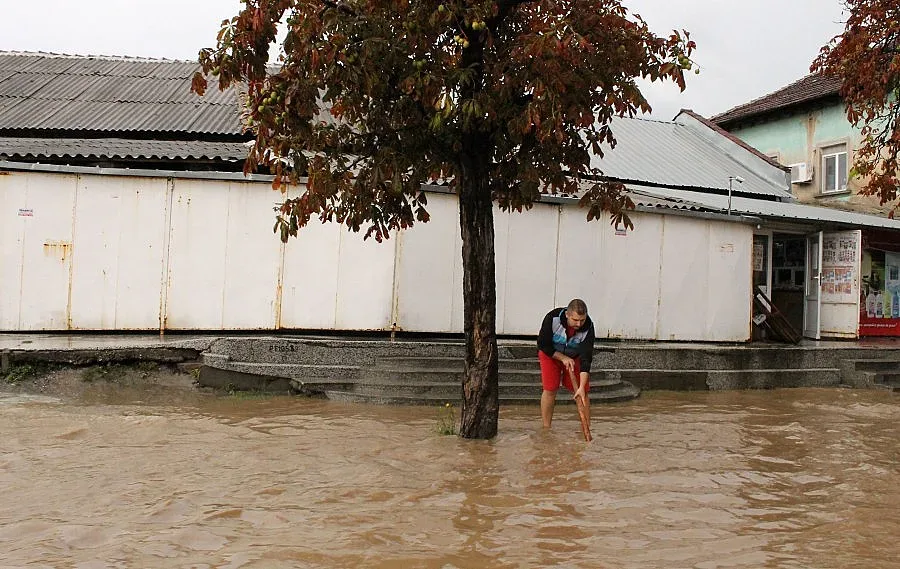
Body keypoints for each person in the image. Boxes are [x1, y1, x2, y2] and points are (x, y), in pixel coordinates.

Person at [537, 298, 595, 429]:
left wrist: (581, 387)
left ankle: (586, 428)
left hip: (574, 357)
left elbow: (586, 359)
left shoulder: (589, 328)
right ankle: (546, 428)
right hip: (551, 355)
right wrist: (562, 358)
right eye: (575, 320)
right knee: (550, 388)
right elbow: (542, 344)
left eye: (582, 320)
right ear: (567, 315)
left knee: (584, 392)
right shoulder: (552, 318)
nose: (579, 324)